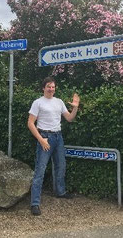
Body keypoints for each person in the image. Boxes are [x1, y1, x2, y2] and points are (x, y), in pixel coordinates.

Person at [27, 77, 79, 216]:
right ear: (43, 88)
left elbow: (69, 118)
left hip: (58, 137)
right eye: (49, 86)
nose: (51, 89)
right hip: (45, 137)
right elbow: (30, 123)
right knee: (40, 170)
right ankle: (35, 203)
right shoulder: (38, 103)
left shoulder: (59, 102)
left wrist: (75, 108)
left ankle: (60, 192)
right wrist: (41, 140)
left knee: (61, 166)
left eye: (53, 87)